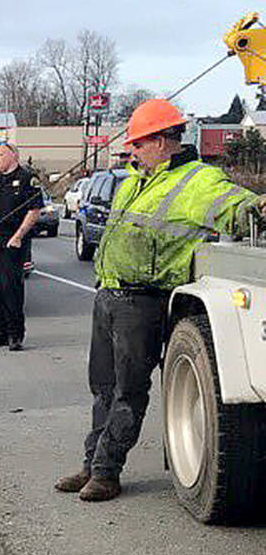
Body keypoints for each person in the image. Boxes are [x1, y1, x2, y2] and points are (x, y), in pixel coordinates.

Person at [54, 98, 266, 502]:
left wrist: (257, 207)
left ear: (163, 140)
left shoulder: (198, 181)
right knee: (103, 387)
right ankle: (92, 461)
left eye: (137, 143)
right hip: (109, 296)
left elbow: (236, 209)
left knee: (127, 392)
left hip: (144, 304)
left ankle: (106, 471)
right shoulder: (136, 180)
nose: (131, 151)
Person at [0, 142, 43, 351]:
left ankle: (15, 334)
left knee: (10, 289)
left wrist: (18, 236)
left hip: (10, 243)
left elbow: (34, 210)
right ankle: (1, 332)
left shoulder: (26, 180)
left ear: (14, 156)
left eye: (1, 155)